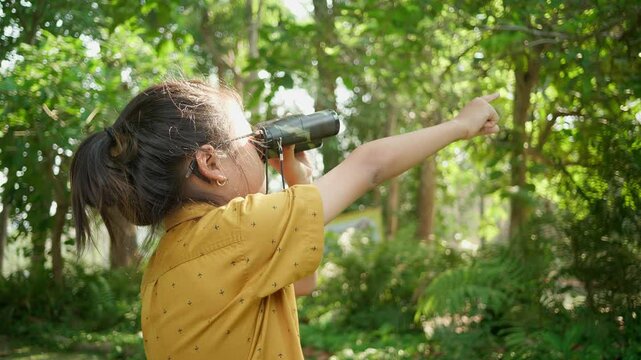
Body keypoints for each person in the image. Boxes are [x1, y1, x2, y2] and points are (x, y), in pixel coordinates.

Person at [70, 79, 499, 359]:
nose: (262, 148)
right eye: (251, 140)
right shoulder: (238, 230)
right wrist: (461, 124)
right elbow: (368, 165)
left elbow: (303, 284)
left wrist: (299, 191)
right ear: (209, 163)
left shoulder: (162, 266)